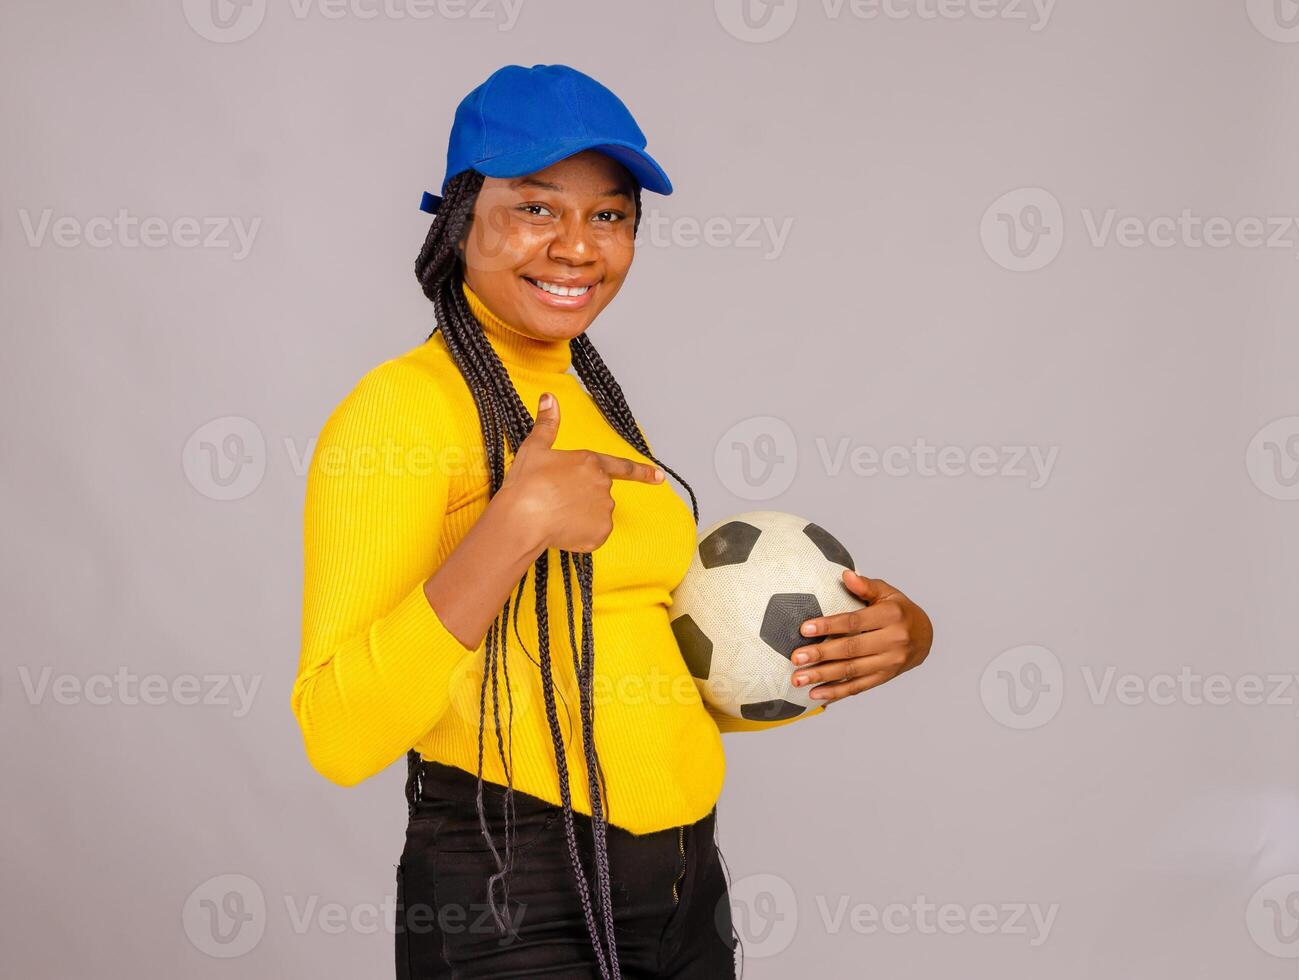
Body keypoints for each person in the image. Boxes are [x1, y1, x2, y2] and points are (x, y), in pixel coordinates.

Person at [291, 63, 934, 979]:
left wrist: (868, 644)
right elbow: (337, 731)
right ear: (460, 220)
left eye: (611, 215)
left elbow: (642, 673)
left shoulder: (586, 404)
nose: (578, 247)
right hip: (515, 893)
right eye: (537, 207)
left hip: (681, 887)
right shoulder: (401, 410)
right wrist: (508, 532)